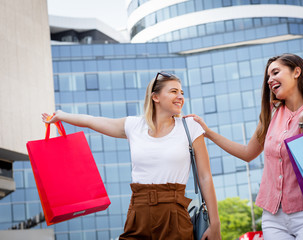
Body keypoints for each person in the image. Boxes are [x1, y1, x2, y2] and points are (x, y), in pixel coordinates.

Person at [42, 72, 221, 240]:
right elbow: (92, 121)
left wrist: (215, 224)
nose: (180, 96)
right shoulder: (134, 126)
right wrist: (62, 116)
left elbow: (205, 177)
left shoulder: (190, 126)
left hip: (174, 213)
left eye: (181, 92)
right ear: (155, 97)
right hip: (138, 211)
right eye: (174, 91)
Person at [185, 53, 303, 240]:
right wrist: (208, 132)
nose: (270, 80)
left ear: (296, 72)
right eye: (268, 77)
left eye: (275, 72)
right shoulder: (271, 114)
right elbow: (248, 153)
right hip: (273, 217)